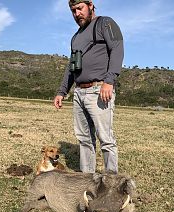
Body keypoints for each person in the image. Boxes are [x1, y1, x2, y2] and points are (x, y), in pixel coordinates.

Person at [53, 0, 124, 174]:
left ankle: (111, 182)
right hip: (79, 92)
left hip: (99, 90)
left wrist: (109, 81)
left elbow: (117, 49)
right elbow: (72, 66)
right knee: (84, 139)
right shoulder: (76, 37)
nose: (77, 14)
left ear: (90, 5)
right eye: (73, 11)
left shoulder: (105, 23)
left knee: (106, 139)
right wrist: (62, 91)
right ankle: (87, 180)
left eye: (79, 8)